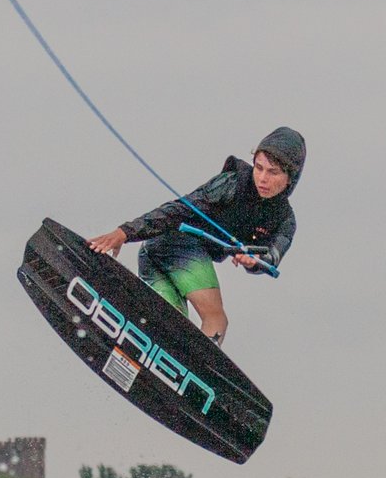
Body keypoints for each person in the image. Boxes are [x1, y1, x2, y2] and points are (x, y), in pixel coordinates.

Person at [87, 127, 305, 345]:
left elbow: (272, 256)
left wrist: (254, 262)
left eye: (273, 172)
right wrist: (125, 232)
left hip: (152, 255)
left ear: (290, 178)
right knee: (216, 319)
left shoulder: (285, 220)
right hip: (174, 243)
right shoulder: (232, 183)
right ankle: (201, 372)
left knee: (171, 333)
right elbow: (179, 210)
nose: (262, 178)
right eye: (259, 168)